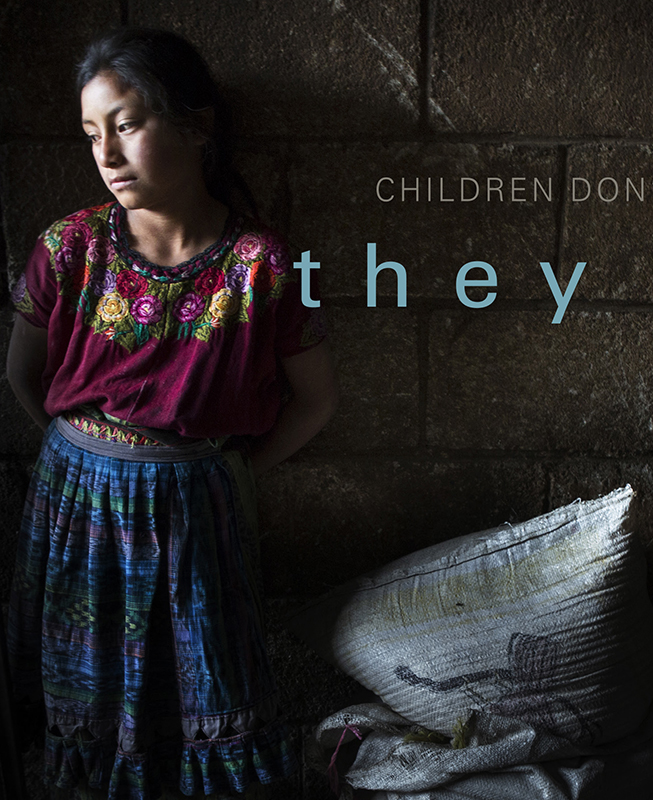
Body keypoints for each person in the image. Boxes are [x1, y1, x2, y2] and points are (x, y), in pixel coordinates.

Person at [5, 27, 338, 799]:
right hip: (74, 508)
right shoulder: (70, 248)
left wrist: (220, 472)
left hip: (195, 513)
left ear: (196, 124)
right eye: (92, 134)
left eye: (126, 124)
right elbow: (23, 375)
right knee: (80, 705)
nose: (107, 153)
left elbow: (317, 402)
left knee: (198, 694)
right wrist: (81, 455)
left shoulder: (262, 267)